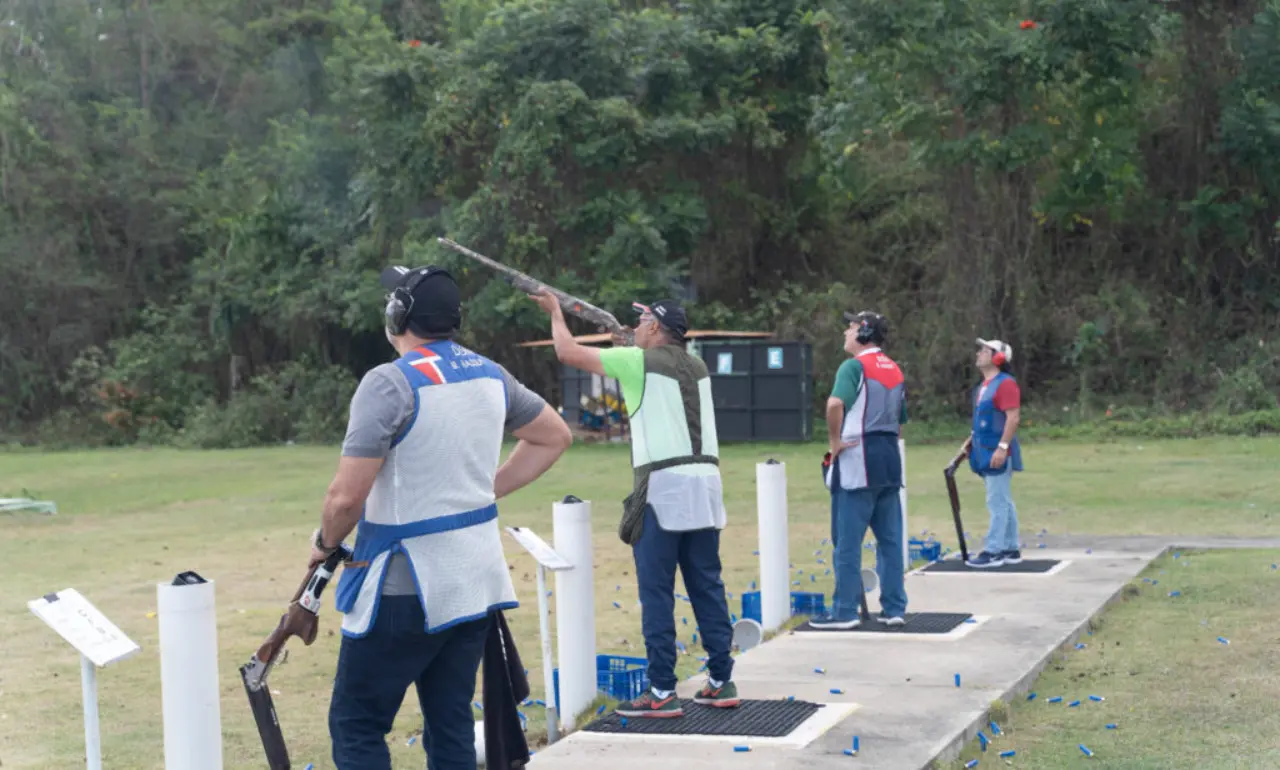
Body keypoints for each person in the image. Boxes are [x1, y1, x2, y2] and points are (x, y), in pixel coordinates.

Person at [309, 264, 573, 769]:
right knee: (450, 724)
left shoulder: (389, 382)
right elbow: (553, 436)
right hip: (473, 583)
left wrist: (323, 545)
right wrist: (483, 490)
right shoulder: (488, 373)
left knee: (358, 724)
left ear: (398, 314)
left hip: (402, 584)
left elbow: (346, 499)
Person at [528, 291, 740, 718]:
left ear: (656, 328)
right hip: (706, 486)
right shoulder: (697, 366)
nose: (637, 328)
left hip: (663, 488)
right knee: (707, 586)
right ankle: (721, 679)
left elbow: (567, 352)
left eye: (643, 323)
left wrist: (555, 313)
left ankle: (662, 690)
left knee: (658, 591)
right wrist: (621, 339)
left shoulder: (637, 363)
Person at [813, 310, 909, 630]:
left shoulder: (853, 366)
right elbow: (900, 420)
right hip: (889, 459)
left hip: (858, 460)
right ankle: (895, 609)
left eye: (851, 327)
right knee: (891, 541)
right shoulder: (894, 368)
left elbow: (834, 405)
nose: (846, 333)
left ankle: (844, 611)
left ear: (864, 333)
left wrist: (835, 441)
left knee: (847, 542)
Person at [961, 338, 1023, 568]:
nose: (979, 353)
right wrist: (970, 441)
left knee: (996, 500)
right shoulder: (984, 387)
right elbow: (983, 420)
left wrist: (1003, 447)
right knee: (1002, 499)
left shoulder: (1005, 383)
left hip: (996, 449)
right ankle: (1010, 547)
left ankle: (994, 550)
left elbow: (1013, 417)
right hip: (984, 448)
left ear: (999, 358)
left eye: (985, 351)